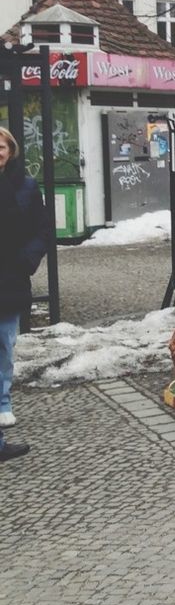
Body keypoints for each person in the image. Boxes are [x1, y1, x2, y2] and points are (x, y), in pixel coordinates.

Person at [0, 125, 50, 441]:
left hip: (10, 275)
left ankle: (3, 401)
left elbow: (42, 229)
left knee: (5, 344)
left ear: (11, 150)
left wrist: (26, 260)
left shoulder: (27, 186)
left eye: (1, 146)